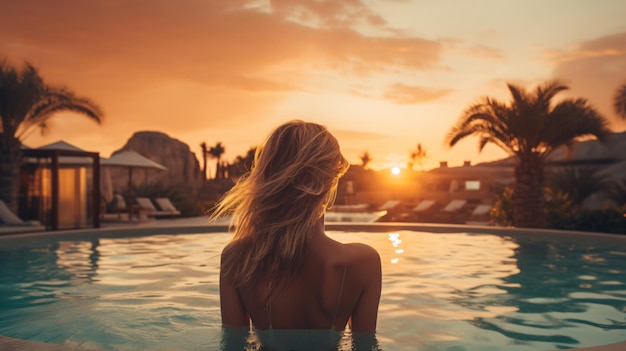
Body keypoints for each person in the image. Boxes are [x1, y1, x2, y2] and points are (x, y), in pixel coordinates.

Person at [213, 120, 382, 350]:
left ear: (266, 175)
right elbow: (365, 347)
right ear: (329, 181)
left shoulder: (237, 258)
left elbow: (232, 346)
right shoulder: (363, 262)